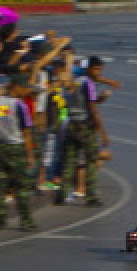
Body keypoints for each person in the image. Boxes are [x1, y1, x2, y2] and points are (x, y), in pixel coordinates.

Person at [0, 75, 36, 230]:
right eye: (23, 87)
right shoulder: (19, 105)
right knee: (22, 186)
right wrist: (30, 154)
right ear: (15, 87)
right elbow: (26, 132)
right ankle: (26, 220)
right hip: (16, 148)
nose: (26, 90)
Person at [58, 56, 108, 207]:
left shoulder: (76, 82)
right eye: (96, 69)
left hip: (72, 124)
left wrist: (100, 99)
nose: (98, 73)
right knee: (91, 160)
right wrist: (102, 133)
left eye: (100, 70)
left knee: (69, 160)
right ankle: (91, 196)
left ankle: (61, 194)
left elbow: (79, 102)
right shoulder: (89, 84)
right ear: (89, 69)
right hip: (85, 126)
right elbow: (93, 110)